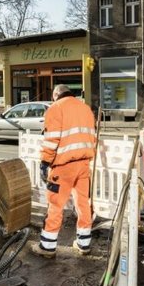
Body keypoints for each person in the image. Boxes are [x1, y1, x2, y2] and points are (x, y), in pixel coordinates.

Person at [31, 84, 97, 258]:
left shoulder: (55, 108)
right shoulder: (86, 109)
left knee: (55, 204)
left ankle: (47, 246)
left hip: (64, 166)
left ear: (55, 95)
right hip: (83, 164)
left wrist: (45, 161)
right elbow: (91, 137)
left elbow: (51, 140)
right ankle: (84, 244)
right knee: (83, 203)